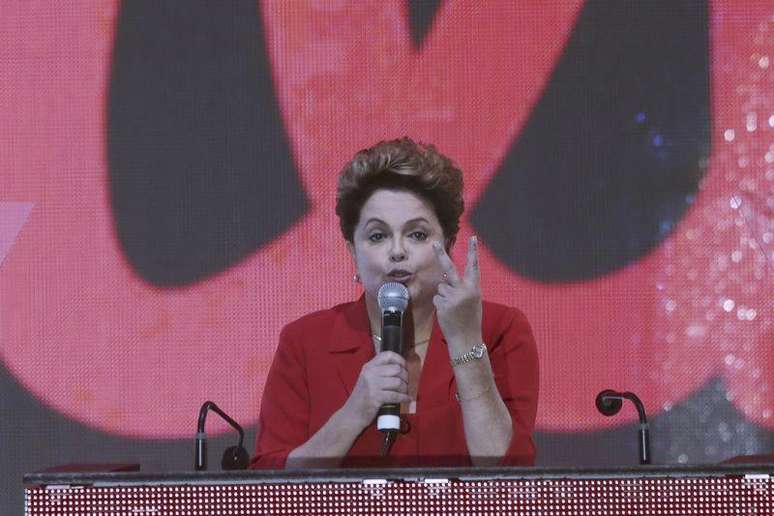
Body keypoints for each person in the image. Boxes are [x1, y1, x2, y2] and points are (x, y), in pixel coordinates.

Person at [251, 138, 539, 468]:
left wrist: (465, 343)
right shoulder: (304, 342)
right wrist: (354, 412)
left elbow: (511, 478)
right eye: (378, 236)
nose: (397, 251)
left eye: (417, 234)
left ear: (447, 243)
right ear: (352, 250)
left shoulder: (501, 330)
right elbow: (269, 485)